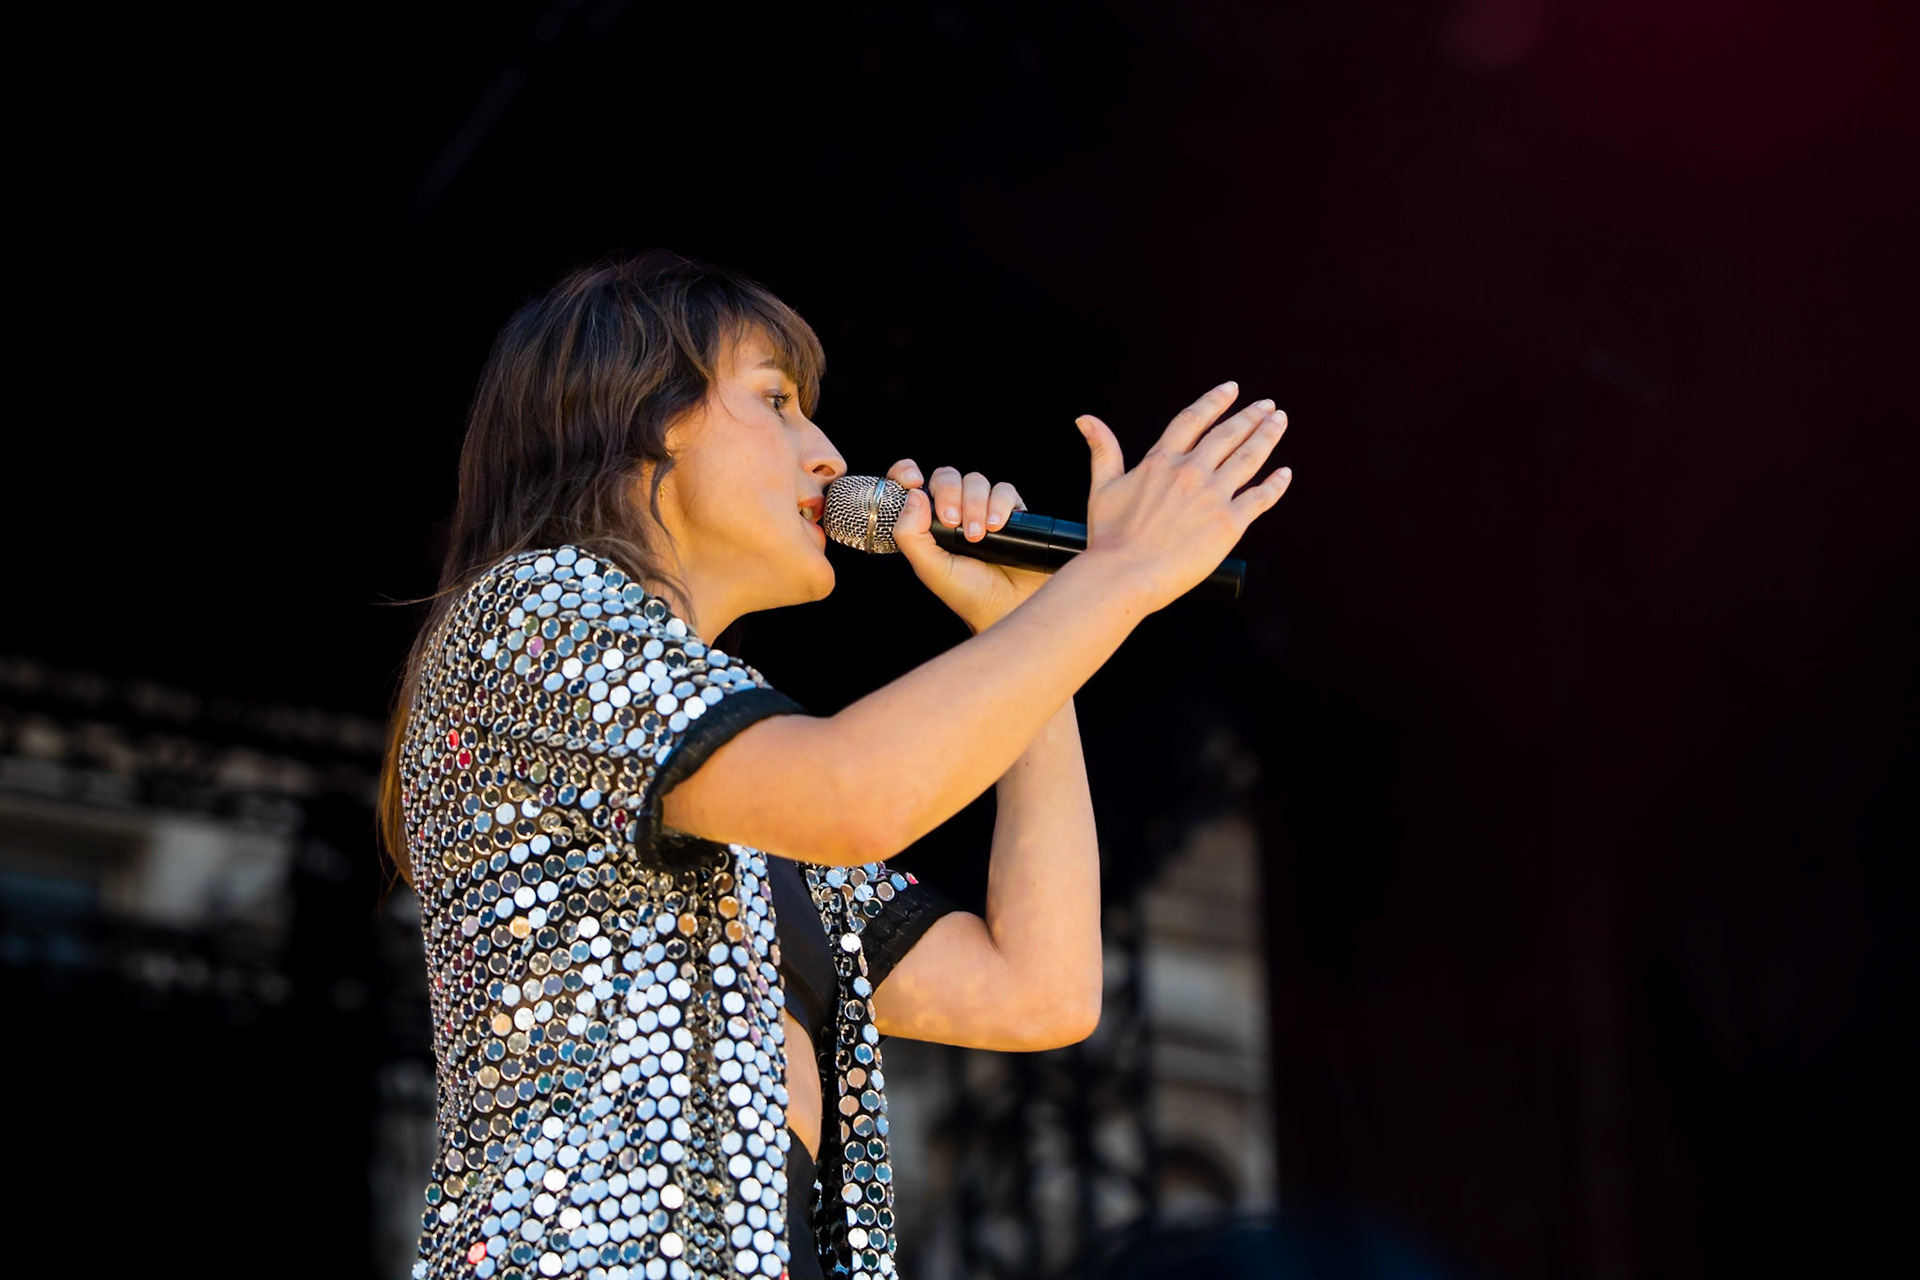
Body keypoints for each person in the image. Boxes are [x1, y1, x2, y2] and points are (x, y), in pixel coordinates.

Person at [380, 250, 1293, 1280]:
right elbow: (855, 794)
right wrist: (1117, 577)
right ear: (639, 419)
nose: (826, 453)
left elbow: (1039, 987)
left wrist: (1023, 624)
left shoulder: (740, 800)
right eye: (776, 402)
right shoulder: (530, 617)